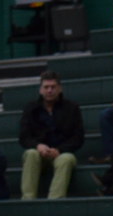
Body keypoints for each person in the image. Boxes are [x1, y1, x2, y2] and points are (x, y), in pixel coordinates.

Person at [19, 70, 84, 200]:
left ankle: (54, 200)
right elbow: (24, 136)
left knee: (67, 159)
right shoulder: (30, 109)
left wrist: (60, 150)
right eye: (46, 87)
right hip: (39, 153)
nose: (49, 90)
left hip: (61, 153)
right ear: (40, 89)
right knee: (30, 154)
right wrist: (38, 146)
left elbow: (78, 137)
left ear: (60, 88)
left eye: (53, 87)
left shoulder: (72, 108)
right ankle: (27, 199)